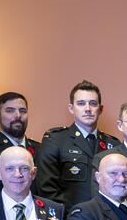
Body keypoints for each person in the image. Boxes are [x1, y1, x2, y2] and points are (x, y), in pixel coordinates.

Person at [36, 79, 121, 208]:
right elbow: (47, 189)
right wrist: (75, 214)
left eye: (93, 103)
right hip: (70, 216)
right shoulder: (56, 140)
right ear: (71, 108)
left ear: (100, 109)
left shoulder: (113, 144)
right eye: (81, 103)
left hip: (108, 216)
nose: (88, 109)